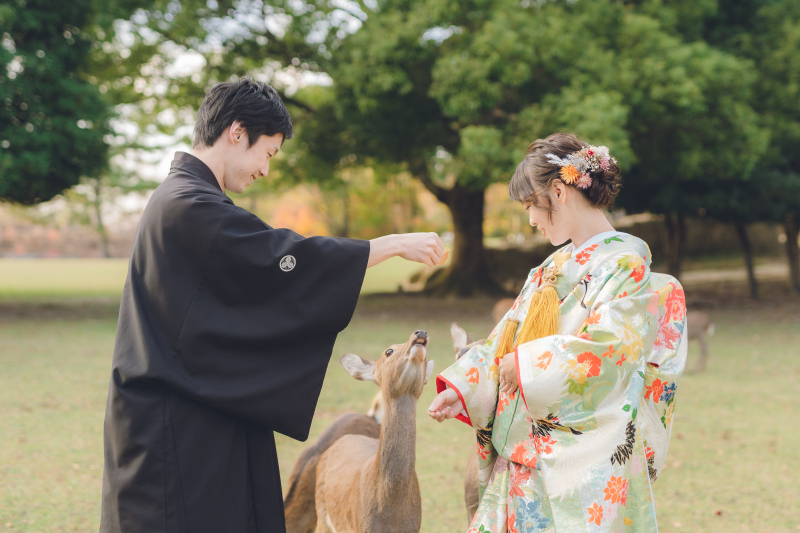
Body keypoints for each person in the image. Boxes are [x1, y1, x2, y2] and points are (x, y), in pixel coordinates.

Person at [101, 77, 444, 533]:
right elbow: (280, 260)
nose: (266, 168)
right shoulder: (187, 205)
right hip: (174, 426)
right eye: (269, 153)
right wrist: (387, 245)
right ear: (237, 132)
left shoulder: (186, 200)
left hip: (191, 412)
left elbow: (239, 295)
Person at [428, 133, 687, 533]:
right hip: (521, 459)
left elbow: (611, 353)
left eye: (532, 204)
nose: (531, 218)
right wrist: (462, 386)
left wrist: (531, 366)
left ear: (559, 191)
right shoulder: (549, 268)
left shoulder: (625, 266)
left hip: (579, 463)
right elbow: (503, 340)